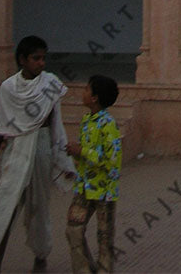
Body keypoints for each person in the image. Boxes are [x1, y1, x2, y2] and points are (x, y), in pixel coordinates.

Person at [0, 35, 77, 273]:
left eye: (44, 58)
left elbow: (56, 123)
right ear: (22, 59)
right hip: (16, 151)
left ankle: (40, 255)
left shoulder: (51, 83)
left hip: (42, 148)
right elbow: (1, 127)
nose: (41, 63)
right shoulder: (9, 88)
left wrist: (61, 157)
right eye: (36, 58)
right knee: (6, 205)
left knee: (40, 207)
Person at [65, 75, 122, 273]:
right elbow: (86, 155)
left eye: (87, 90)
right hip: (83, 188)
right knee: (73, 230)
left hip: (104, 191)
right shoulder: (86, 121)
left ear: (95, 97)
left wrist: (82, 152)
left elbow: (112, 161)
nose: (83, 93)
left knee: (104, 237)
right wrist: (73, 161)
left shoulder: (109, 125)